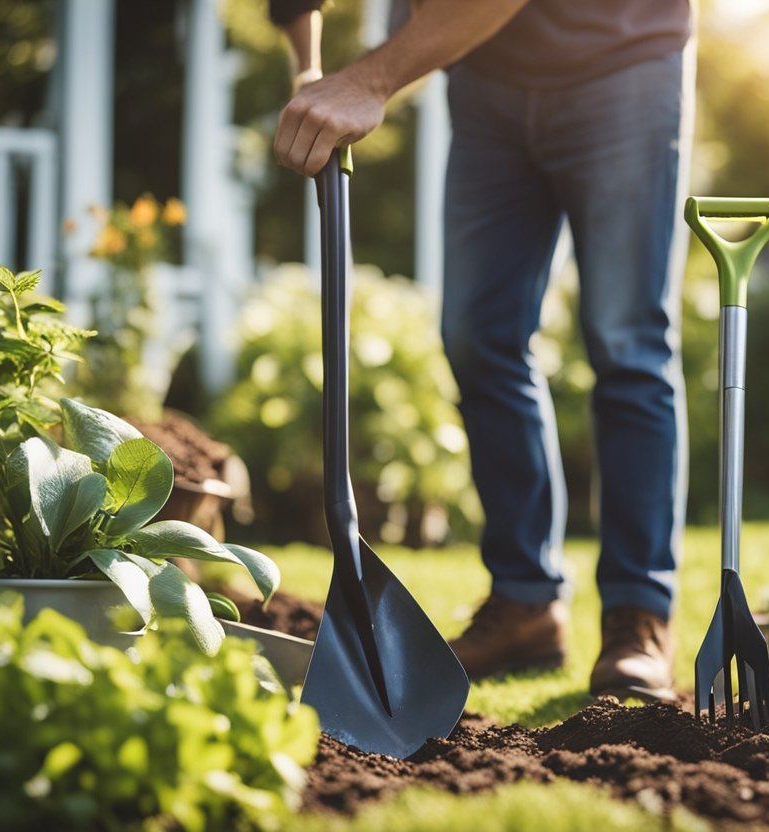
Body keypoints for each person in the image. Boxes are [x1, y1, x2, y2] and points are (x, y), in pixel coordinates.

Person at [271, 0, 694, 703]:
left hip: (623, 62)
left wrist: (369, 80)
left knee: (627, 342)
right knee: (477, 336)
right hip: (486, 81)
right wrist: (310, 65)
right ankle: (526, 603)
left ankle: (638, 615)